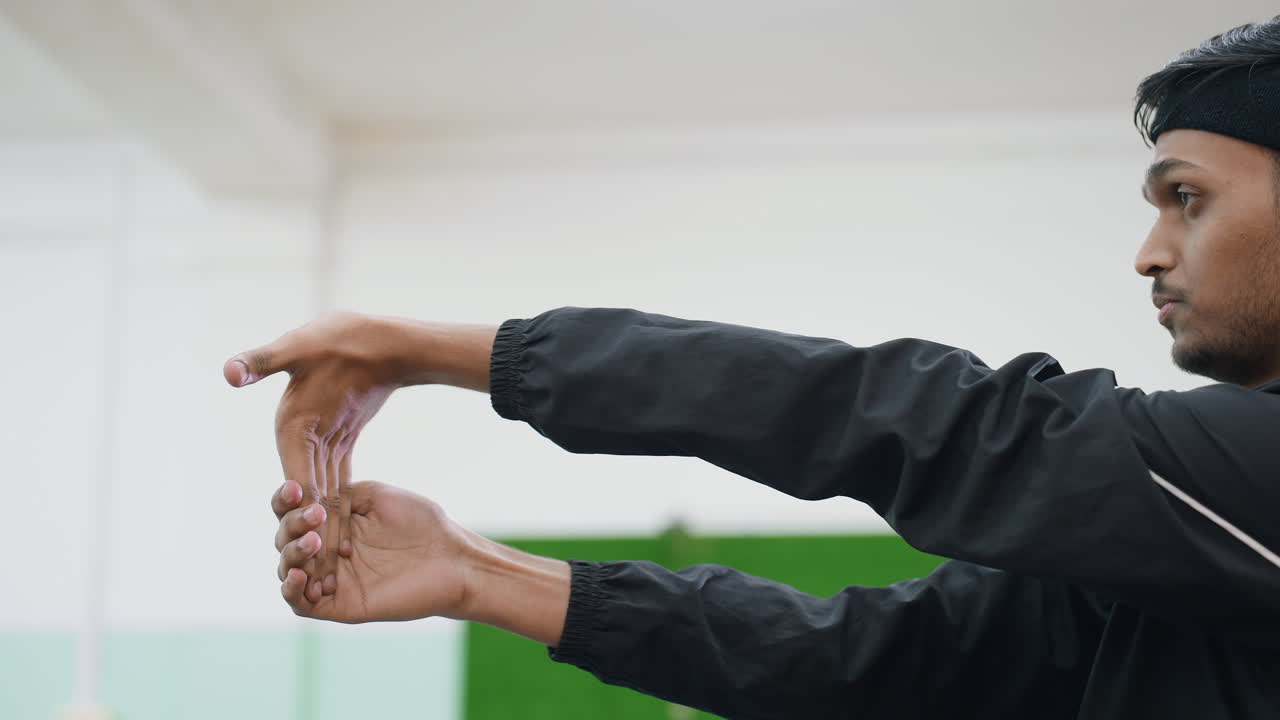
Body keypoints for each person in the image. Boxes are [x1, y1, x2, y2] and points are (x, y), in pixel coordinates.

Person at [225, 18, 1280, 719]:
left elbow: (925, 425)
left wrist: (439, 352)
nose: (1147, 250)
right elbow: (873, 661)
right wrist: (480, 573)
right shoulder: (1196, 548)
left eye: (1184, 197)